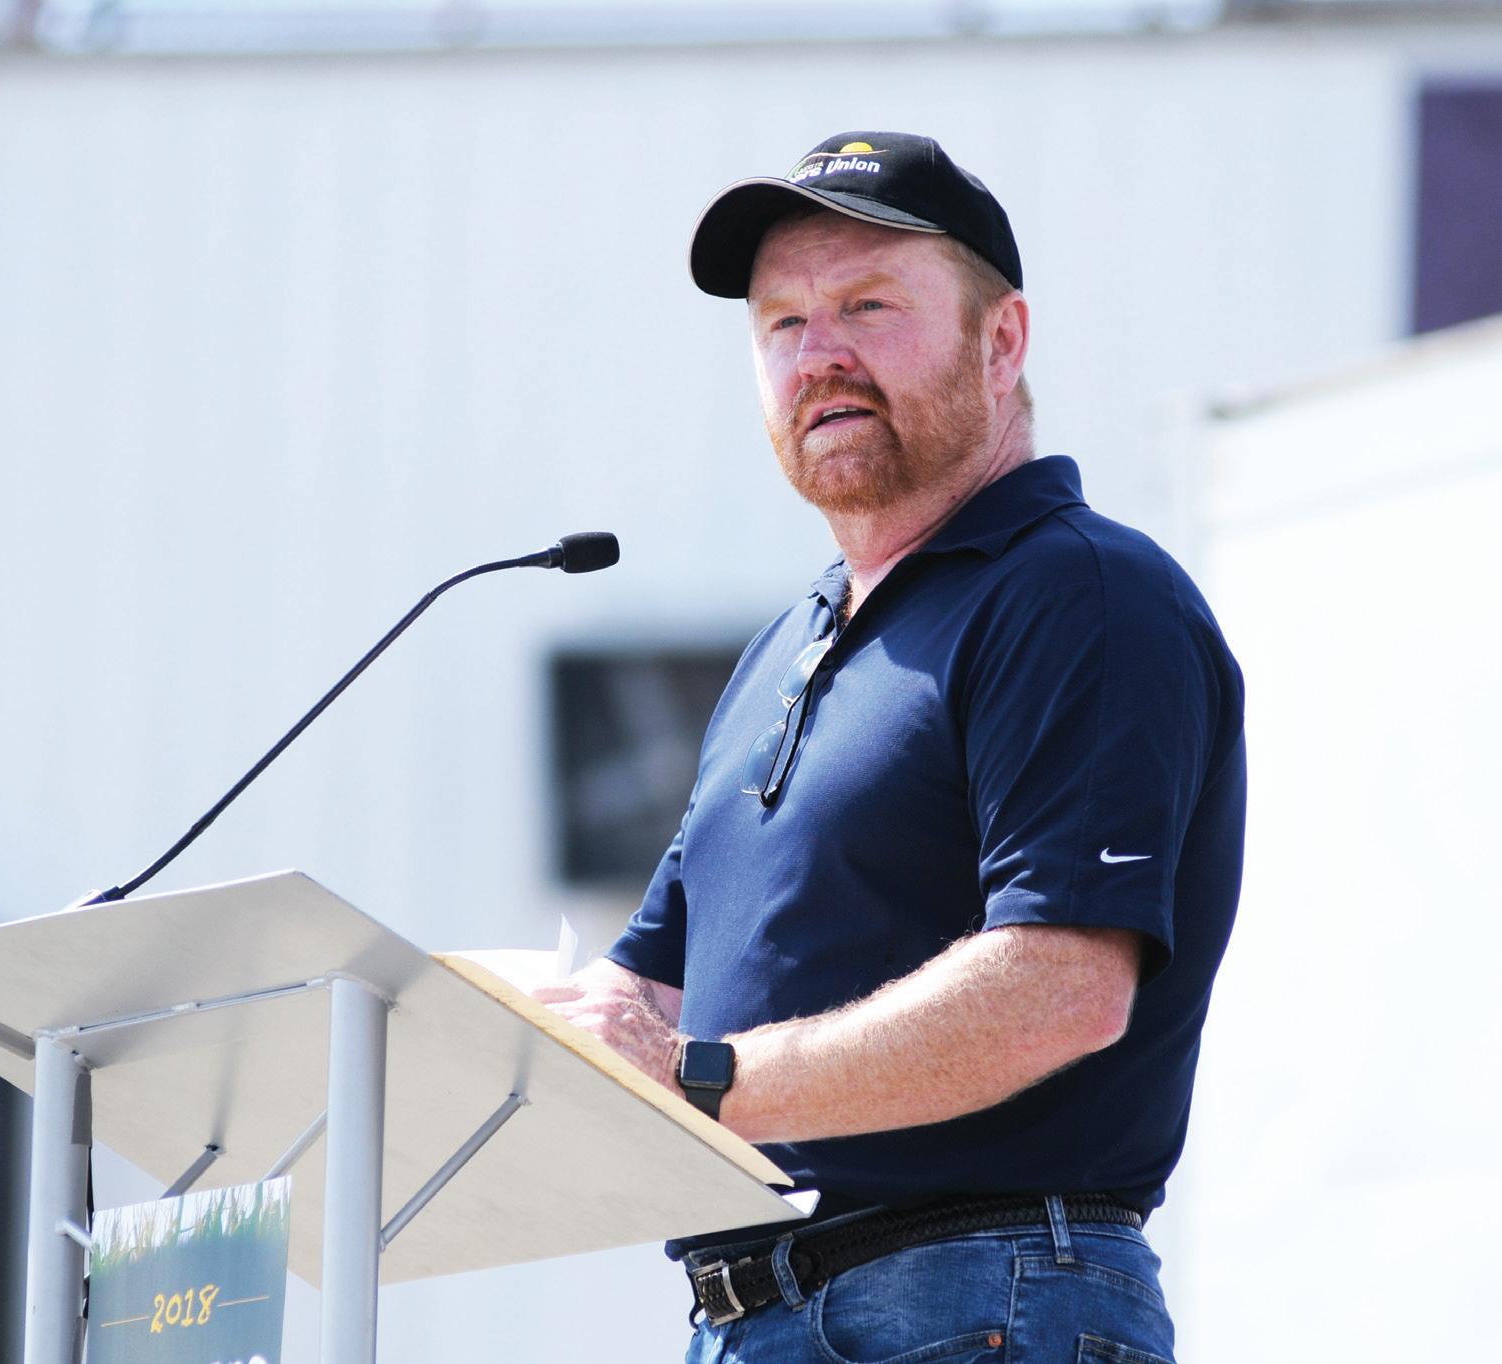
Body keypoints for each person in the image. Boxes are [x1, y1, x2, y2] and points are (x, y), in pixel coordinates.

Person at [533, 132, 1245, 1364]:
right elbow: (648, 993)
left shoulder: (1080, 593)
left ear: (1001, 340)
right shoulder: (786, 647)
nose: (819, 352)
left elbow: (1061, 990)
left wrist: (704, 1076)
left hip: (977, 1300)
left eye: (867, 305)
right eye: (783, 322)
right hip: (756, 1316)